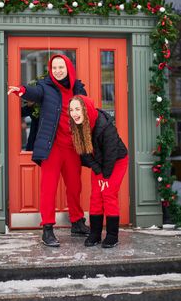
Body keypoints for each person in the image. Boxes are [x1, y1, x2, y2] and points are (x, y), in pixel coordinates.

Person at [8, 54, 90, 247]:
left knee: (75, 187)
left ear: (68, 68)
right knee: (48, 189)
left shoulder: (78, 89)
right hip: (52, 148)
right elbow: (34, 93)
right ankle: (47, 230)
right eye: (54, 68)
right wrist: (21, 90)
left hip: (73, 148)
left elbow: (88, 113)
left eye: (61, 67)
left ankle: (77, 222)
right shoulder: (46, 87)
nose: (58, 71)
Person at [68, 95, 128, 248]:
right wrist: (98, 172)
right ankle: (95, 234)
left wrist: (105, 177)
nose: (74, 113)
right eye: (71, 110)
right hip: (99, 164)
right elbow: (84, 153)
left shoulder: (105, 126)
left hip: (116, 161)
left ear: (86, 109)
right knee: (96, 196)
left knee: (108, 194)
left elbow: (111, 154)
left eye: (77, 109)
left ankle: (112, 235)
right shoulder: (77, 126)